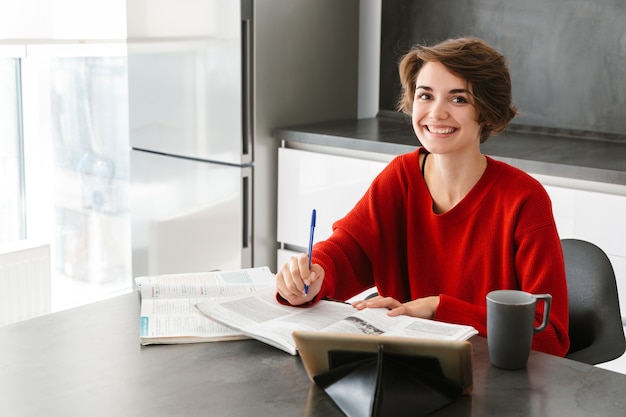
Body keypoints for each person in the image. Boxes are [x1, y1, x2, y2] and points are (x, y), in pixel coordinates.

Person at [275, 37, 570, 357]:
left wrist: (438, 309)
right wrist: (312, 274)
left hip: (494, 385)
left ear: (486, 112)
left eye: (458, 100)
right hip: (407, 370)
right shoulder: (399, 178)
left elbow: (550, 336)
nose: (436, 113)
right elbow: (347, 252)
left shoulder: (524, 199)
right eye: (425, 96)